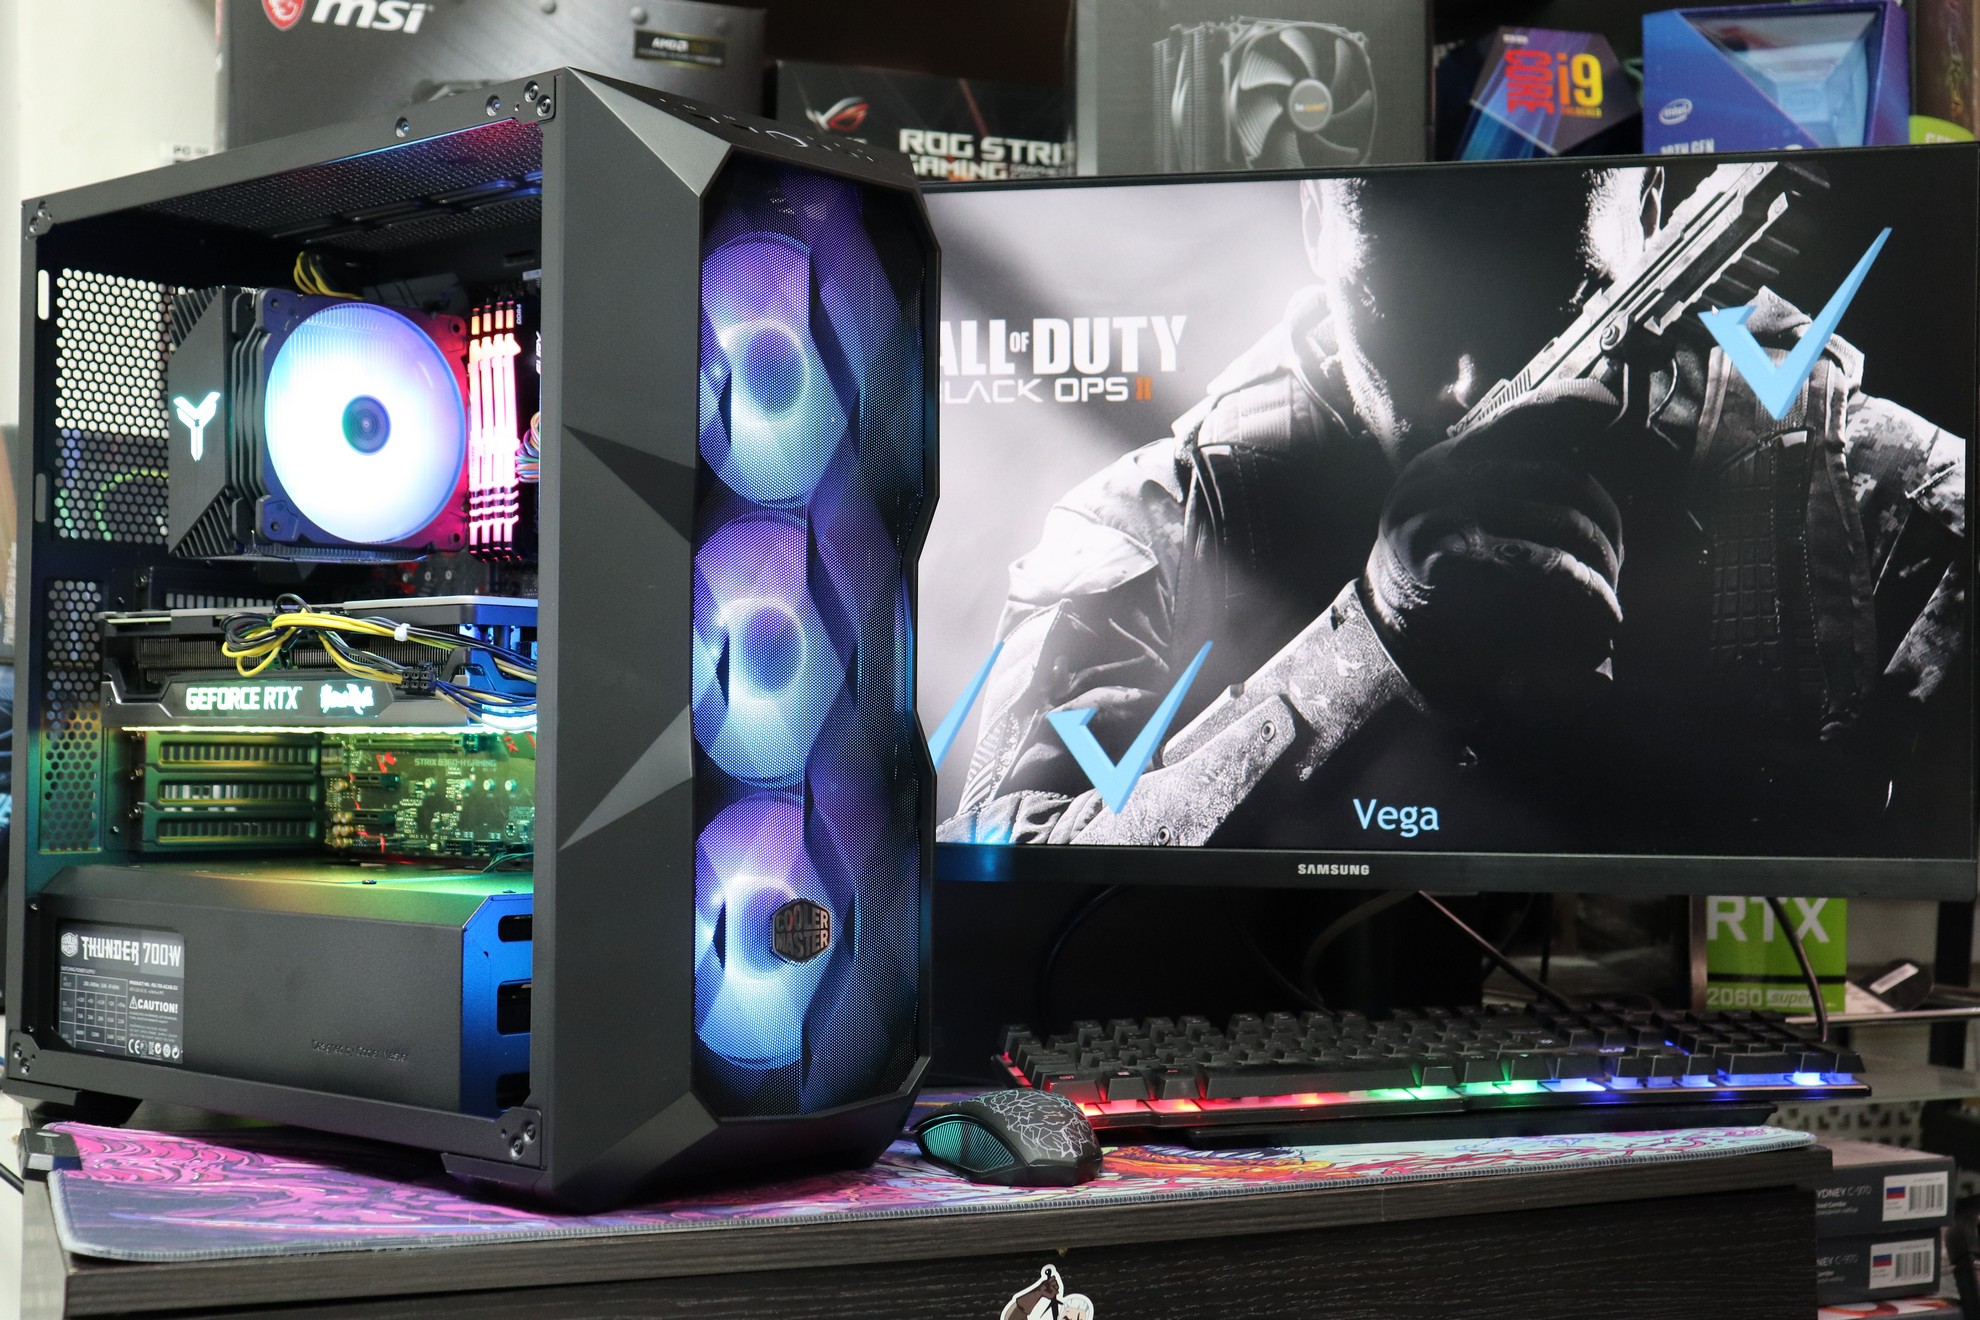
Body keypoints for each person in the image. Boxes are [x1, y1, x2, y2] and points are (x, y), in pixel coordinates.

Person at [941, 164, 1967, 860]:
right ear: (1316, 224)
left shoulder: (1887, 501)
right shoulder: (1152, 524)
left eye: (1552, 306)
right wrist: (1370, 648)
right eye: (1416, 309)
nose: (1473, 389)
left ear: (1652, 218)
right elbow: (1002, 869)